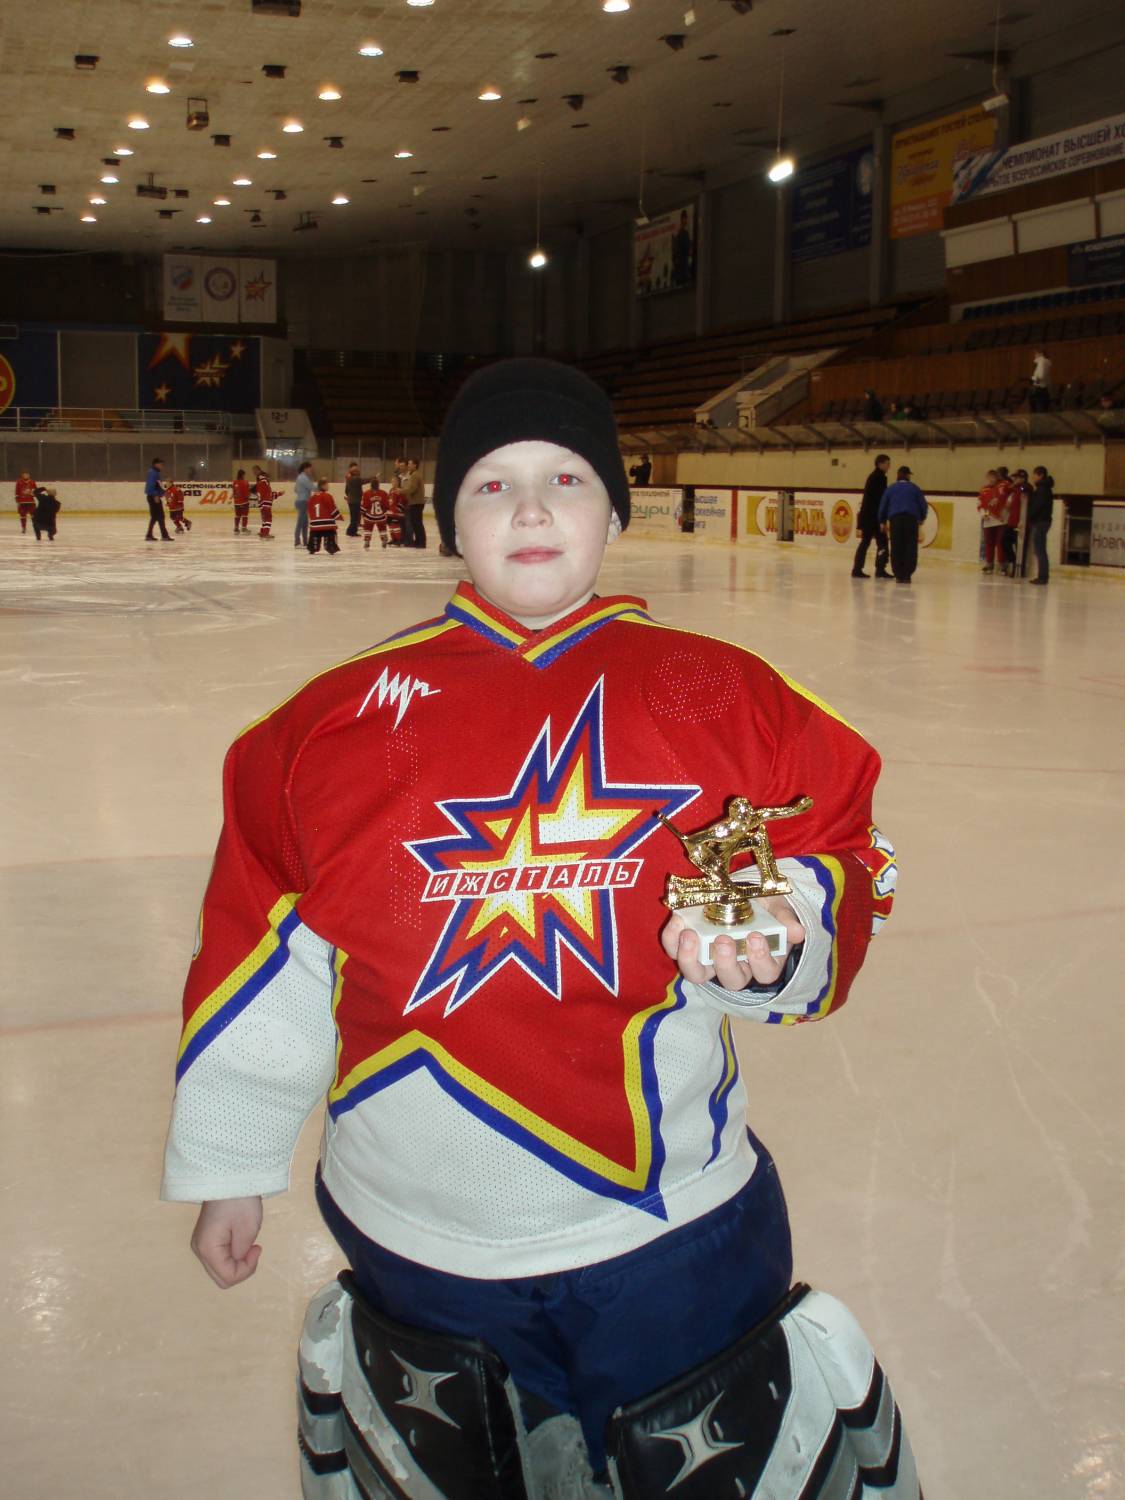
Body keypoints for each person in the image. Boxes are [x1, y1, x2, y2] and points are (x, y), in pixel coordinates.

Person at [163, 358, 918, 1499]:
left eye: (566, 478)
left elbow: (853, 849)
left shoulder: (728, 695)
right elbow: (261, 963)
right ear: (446, 522)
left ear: (615, 510)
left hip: (678, 1228)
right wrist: (230, 1161)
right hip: (418, 1237)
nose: (528, 509)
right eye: (490, 484)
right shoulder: (324, 729)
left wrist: (787, 929)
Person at [878, 463, 928, 585]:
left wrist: (882, 521)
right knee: (910, 547)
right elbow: (923, 505)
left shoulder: (891, 489)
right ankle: (907, 574)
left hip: (895, 520)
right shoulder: (914, 488)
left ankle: (898, 574)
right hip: (911, 520)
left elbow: (883, 505)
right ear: (908, 476)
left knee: (896, 546)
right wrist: (921, 517)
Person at [852, 453, 891, 578]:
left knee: (867, 542)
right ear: (880, 464)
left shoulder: (874, 476)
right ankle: (879, 569)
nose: (889, 466)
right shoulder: (879, 478)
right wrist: (882, 519)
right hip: (873, 517)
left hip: (869, 517)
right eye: (887, 463)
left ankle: (858, 569)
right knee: (881, 542)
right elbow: (880, 500)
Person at [978, 466, 1009, 574]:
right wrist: (983, 513)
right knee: (989, 543)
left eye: (993, 477)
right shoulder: (984, 490)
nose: (991, 480)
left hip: (1001, 519)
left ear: (997, 477)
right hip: (988, 520)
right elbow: (980, 503)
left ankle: (1002, 565)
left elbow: (1008, 496)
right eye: (989, 477)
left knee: (1000, 542)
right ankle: (989, 564)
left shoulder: (1003, 486)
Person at [1027, 466, 1054, 585]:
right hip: (1042, 521)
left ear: (1041, 475)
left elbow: (1037, 506)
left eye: (1035, 475)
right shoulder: (1042, 488)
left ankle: (1043, 576)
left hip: (1040, 521)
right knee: (1040, 549)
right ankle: (1042, 575)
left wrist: (1029, 515)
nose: (1033, 477)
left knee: (1040, 550)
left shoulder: (1042, 489)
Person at [307, 477, 342, 555]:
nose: (328, 486)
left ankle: (313, 547)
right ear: (322, 486)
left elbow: (309, 509)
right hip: (327, 524)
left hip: (315, 525)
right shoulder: (327, 496)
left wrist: (313, 519)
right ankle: (330, 546)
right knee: (331, 532)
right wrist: (338, 516)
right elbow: (332, 508)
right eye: (327, 485)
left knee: (314, 535)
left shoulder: (312, 497)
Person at [1004, 469, 1029, 577]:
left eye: (1017, 477)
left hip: (1020, 522)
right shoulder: (1014, 490)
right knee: (1004, 541)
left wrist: (1021, 485)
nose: (1015, 479)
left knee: (1020, 547)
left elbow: (1025, 488)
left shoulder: (1024, 488)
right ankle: (1012, 561)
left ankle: (1018, 569)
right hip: (1011, 521)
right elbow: (1005, 490)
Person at [144, 457, 173, 542]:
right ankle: (164, 535)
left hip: (154, 497)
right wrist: (156, 495)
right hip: (154, 497)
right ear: (156, 464)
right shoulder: (153, 473)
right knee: (160, 516)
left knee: (155, 517)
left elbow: (158, 486)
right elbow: (150, 487)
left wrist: (163, 493)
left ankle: (149, 535)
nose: (162, 466)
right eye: (161, 464)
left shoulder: (155, 473)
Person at [402, 458, 427, 548]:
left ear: (415, 465)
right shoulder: (414, 475)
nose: (408, 465)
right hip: (415, 502)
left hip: (416, 502)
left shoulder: (415, 475)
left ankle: (421, 542)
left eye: (410, 464)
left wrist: (401, 491)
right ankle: (418, 541)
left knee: (417, 523)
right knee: (416, 522)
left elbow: (412, 489)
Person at [360, 476, 389, 550]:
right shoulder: (383, 493)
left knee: (368, 528)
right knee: (382, 528)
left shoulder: (366, 493)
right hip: (380, 516)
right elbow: (386, 505)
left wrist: (362, 513)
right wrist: (385, 512)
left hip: (369, 516)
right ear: (378, 485)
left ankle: (367, 541)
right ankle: (384, 539)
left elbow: (364, 505)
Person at [294, 460, 315, 549]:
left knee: (305, 523)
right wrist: (321, 486)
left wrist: (301, 492)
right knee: (300, 523)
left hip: (302, 501)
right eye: (310, 468)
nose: (311, 470)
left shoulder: (300, 477)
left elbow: (295, 489)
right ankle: (297, 542)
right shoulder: (304, 478)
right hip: (303, 501)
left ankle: (305, 542)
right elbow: (312, 487)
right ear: (305, 469)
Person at [253, 466, 275, 540]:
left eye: (255, 471)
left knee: (264, 518)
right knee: (268, 518)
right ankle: (265, 533)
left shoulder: (260, 481)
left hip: (261, 503)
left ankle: (263, 531)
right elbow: (270, 494)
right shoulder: (264, 483)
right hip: (266, 502)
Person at [344, 462, 363, 538]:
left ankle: (352, 531)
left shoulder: (349, 479)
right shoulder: (356, 479)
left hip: (352, 500)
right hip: (355, 500)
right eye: (356, 470)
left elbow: (346, 490)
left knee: (354, 517)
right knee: (355, 517)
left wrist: (349, 496)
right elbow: (364, 480)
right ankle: (350, 531)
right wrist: (374, 477)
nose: (358, 471)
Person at [1029, 349, 1052, 414]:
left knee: (1038, 412)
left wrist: (1032, 378)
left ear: (1041, 354)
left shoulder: (1042, 362)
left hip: (1039, 389)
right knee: (1041, 411)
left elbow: (1040, 377)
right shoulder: (1045, 362)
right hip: (1043, 389)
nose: (1034, 355)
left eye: (1036, 353)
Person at [231, 469, 251, 535]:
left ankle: (236, 528)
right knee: (245, 515)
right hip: (244, 502)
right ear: (242, 475)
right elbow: (246, 492)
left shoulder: (234, 482)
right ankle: (244, 528)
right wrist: (248, 496)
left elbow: (234, 492)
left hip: (237, 502)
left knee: (237, 515)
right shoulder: (245, 482)